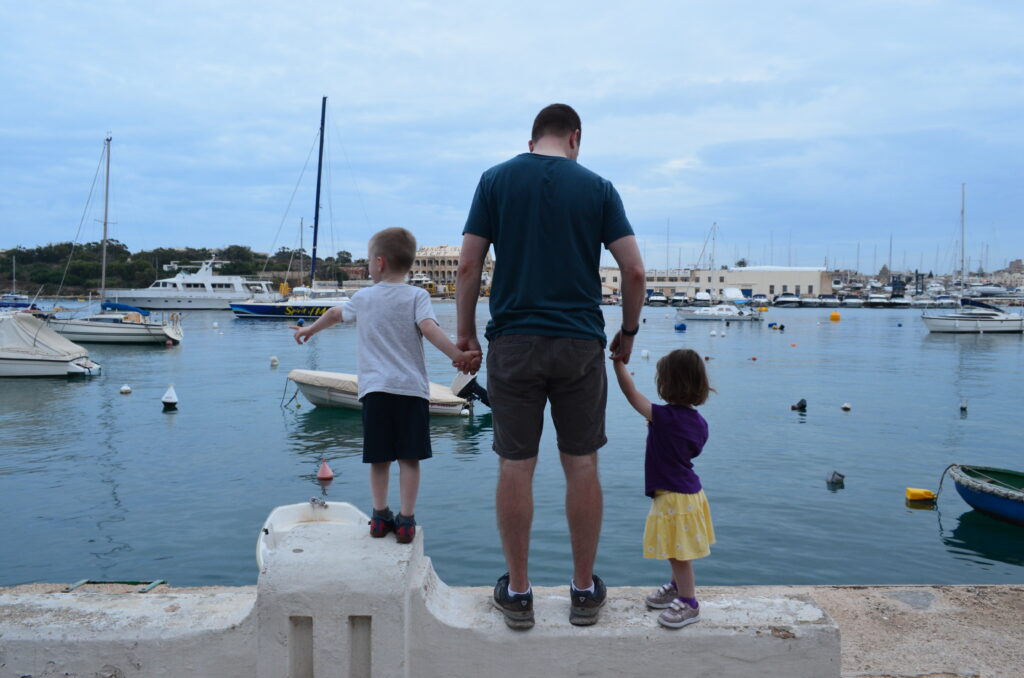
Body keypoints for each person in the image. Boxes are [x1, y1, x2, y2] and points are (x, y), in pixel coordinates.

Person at [456, 103, 646, 629]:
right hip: (581, 345)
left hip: (513, 343)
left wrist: (466, 333)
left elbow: (469, 263)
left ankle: (518, 593)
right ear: (575, 138)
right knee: (581, 464)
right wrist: (627, 334)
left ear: (533, 137)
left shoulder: (494, 181)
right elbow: (633, 270)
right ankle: (584, 591)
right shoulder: (599, 188)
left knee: (516, 466)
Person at [292, 227, 480, 543]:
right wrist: (458, 356)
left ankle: (379, 517)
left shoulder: (363, 297)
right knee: (409, 458)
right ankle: (406, 521)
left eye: (368, 261)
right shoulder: (418, 296)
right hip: (410, 392)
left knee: (379, 459)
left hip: (376, 392)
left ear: (379, 262)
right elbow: (431, 330)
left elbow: (335, 314)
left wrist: (310, 330)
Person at [612, 348, 716, 629]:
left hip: (674, 497)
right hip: (690, 492)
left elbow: (630, 392)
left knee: (679, 554)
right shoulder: (699, 423)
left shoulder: (663, 417)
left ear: (666, 383)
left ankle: (689, 602)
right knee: (675, 548)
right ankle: (676, 585)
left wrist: (618, 363)